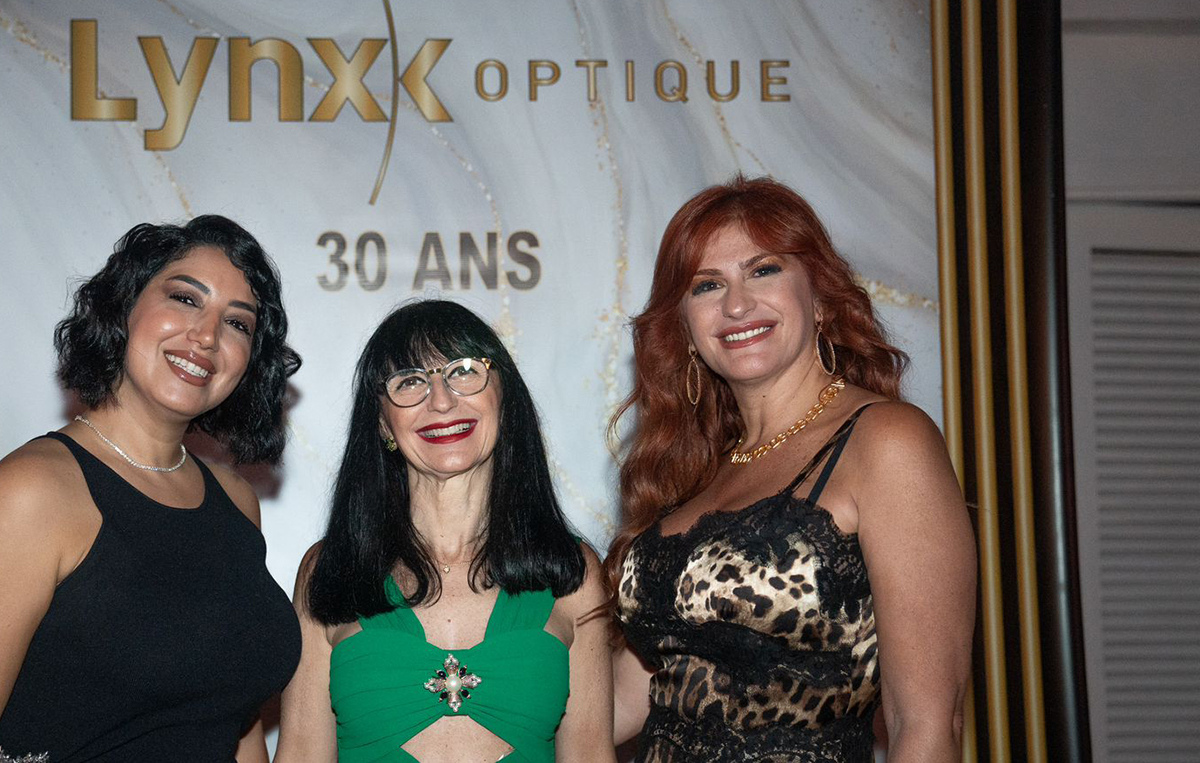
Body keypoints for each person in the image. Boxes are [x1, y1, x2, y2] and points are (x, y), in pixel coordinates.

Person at [0, 215, 303, 763]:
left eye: (238, 323)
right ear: (123, 307)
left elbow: (233, 721)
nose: (207, 336)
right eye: (185, 299)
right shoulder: (34, 492)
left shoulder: (236, 501)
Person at [607, 176, 976, 762]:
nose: (736, 304)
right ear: (685, 329)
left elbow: (927, 724)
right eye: (707, 285)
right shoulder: (695, 472)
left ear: (821, 299)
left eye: (763, 270)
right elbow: (621, 704)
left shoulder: (886, 441)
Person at [275, 300, 614, 763]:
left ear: (504, 400)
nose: (440, 400)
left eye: (464, 371)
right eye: (409, 381)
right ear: (383, 423)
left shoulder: (574, 572)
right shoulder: (329, 570)